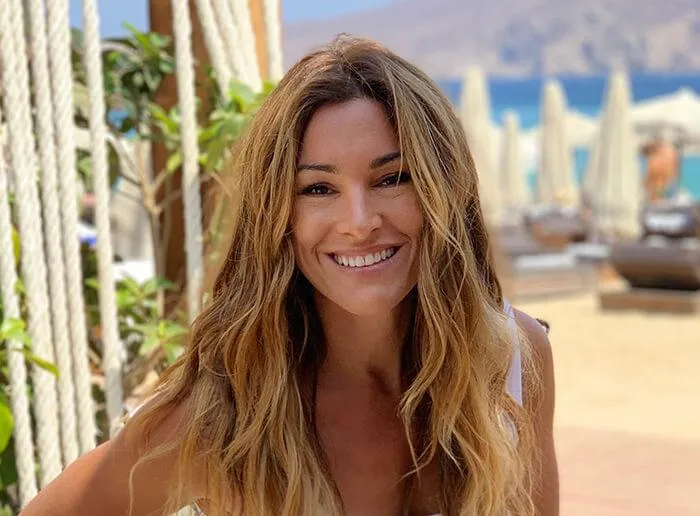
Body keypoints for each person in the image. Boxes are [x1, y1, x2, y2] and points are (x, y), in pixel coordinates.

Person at [22, 36, 558, 515]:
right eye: (318, 189)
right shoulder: (226, 416)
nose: (358, 222)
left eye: (392, 178)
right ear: (278, 217)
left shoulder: (511, 360)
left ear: (443, 190)